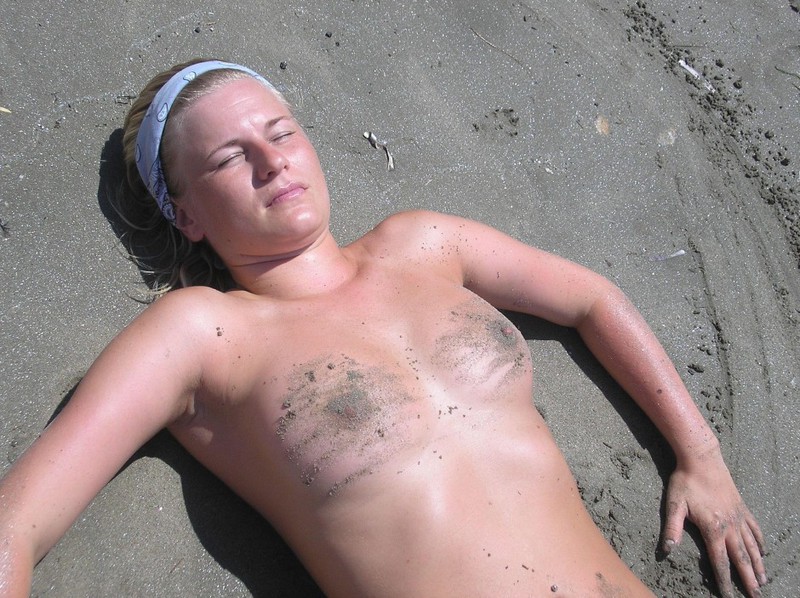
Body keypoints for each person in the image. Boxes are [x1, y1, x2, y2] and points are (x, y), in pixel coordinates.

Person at [0, 58, 767, 597]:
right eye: (232, 157)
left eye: (282, 132)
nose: (273, 161)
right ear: (187, 213)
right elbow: (18, 524)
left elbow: (590, 299)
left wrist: (700, 456)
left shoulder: (423, 244)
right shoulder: (203, 334)